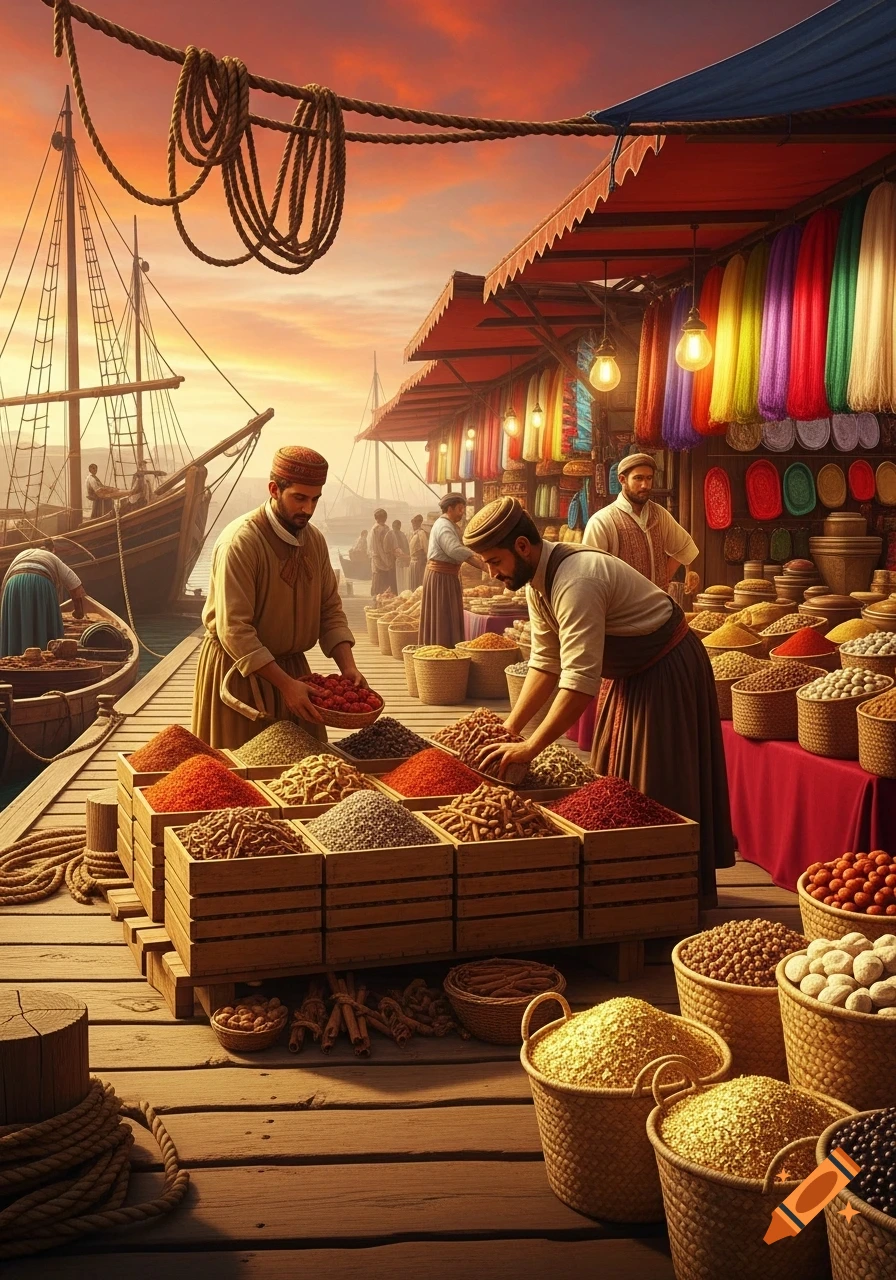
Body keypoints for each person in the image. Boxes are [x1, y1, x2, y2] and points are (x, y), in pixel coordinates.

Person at [463, 497, 734, 906]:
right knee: (615, 779)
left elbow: (578, 681)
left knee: (658, 785)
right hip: (631, 670)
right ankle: (621, 887)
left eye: (494, 561)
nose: (491, 572)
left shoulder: (577, 580)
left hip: (666, 667)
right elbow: (545, 663)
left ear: (522, 547)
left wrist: (531, 748)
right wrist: (510, 728)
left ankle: (666, 898)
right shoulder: (538, 580)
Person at [191, 446, 368, 750]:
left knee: (304, 774)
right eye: (299, 498)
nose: (308, 510)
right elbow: (235, 630)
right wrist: (285, 685)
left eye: (315, 499)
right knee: (242, 775)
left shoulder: (315, 541)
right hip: (242, 672)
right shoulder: (241, 542)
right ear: (274, 489)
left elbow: (330, 610)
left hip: (296, 673)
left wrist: (347, 667)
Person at [583, 453, 700, 595]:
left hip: (658, 607)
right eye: (638, 478)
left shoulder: (659, 514)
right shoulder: (602, 521)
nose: (645, 485)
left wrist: (669, 577)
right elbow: (590, 576)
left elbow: (684, 547)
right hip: (621, 611)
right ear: (622, 479)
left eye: (649, 478)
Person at [418, 493, 485, 649]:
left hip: (447, 575)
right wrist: (480, 563)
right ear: (450, 509)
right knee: (442, 616)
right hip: (441, 577)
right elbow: (454, 550)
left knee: (447, 615)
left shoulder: (449, 525)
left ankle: (448, 650)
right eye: (460, 509)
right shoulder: (443, 525)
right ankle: (441, 650)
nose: (462, 513)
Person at [0, 541, 86, 657]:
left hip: (12, 585)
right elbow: (76, 585)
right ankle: (48, 656)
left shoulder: (22, 554)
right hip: (40, 581)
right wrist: (79, 612)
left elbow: (4, 586)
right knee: (48, 628)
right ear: (52, 550)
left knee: (17, 626)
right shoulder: (52, 557)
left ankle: (11, 657)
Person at [369, 508, 398, 596]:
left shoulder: (386, 528)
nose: (384, 519)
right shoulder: (375, 530)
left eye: (384, 517)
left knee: (387, 582)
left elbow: (391, 542)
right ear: (377, 518)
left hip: (387, 558)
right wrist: (385, 560)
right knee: (379, 580)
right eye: (382, 517)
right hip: (379, 559)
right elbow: (377, 548)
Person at [407, 514, 427, 591]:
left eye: (415, 522)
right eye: (413, 522)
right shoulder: (412, 533)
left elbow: (425, 547)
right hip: (413, 561)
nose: (414, 524)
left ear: (419, 523)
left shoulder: (421, 533)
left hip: (419, 562)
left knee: (419, 583)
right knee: (413, 584)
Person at [392, 519, 410, 593]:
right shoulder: (402, 534)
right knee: (403, 580)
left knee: (400, 579)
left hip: (399, 559)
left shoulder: (394, 534)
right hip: (404, 559)